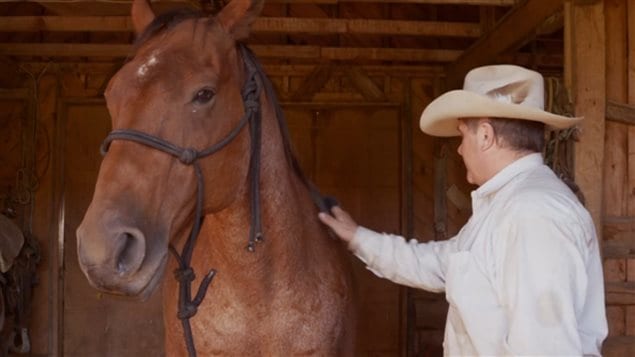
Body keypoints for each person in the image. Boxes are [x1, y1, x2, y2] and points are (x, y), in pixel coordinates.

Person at [318, 64, 608, 356]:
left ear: (485, 136)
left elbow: (546, 349)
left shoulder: (532, 214)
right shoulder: (507, 208)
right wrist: (356, 237)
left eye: (461, 136)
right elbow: (434, 264)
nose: (459, 150)